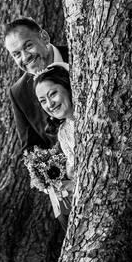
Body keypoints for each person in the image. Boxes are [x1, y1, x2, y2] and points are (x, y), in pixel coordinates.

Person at [3, 17, 69, 151]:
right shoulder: (18, 93)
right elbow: (31, 147)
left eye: (28, 46)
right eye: (16, 54)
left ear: (44, 37)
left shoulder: (78, 56)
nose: (25, 57)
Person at [34, 64, 77, 224]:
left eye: (53, 94)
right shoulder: (63, 132)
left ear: (68, 87)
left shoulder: (90, 117)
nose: (50, 104)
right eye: (43, 101)